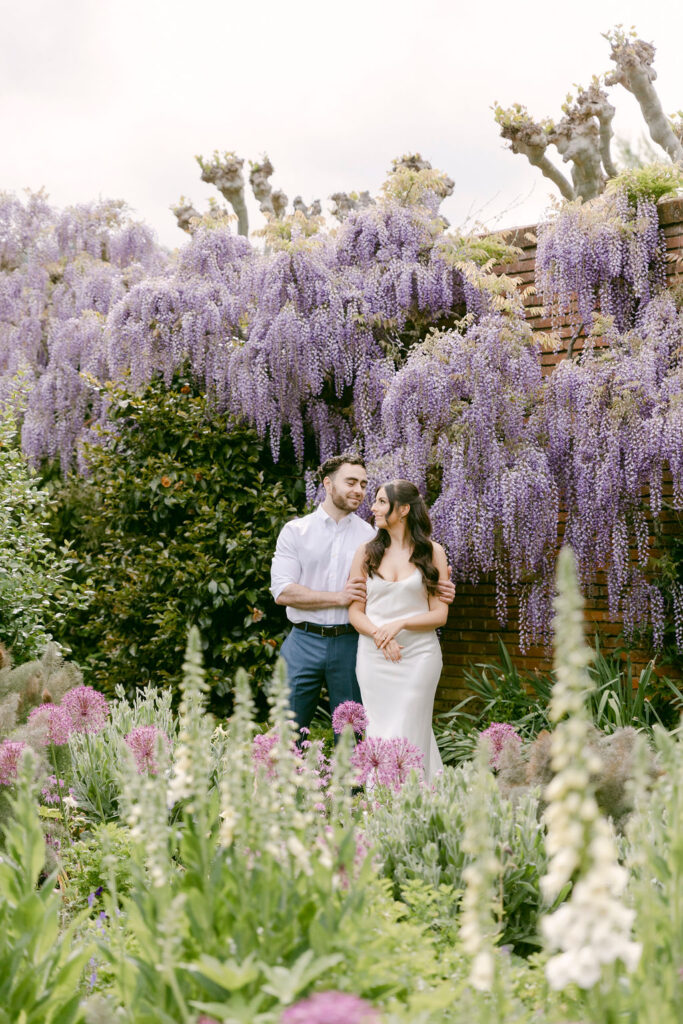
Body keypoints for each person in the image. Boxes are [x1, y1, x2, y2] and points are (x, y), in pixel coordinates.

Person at [270, 455, 454, 735]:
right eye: (351, 482)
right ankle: (285, 779)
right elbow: (282, 591)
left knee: (352, 734)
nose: (359, 490)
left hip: (351, 642)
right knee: (287, 729)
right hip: (303, 640)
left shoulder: (372, 537)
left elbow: (402, 584)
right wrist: (339, 598)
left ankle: (353, 781)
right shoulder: (297, 531)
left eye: (364, 484)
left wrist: (440, 587)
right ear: (328, 484)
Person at [348, 480, 448, 780]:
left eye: (381, 502)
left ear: (403, 509)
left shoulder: (432, 552)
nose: (374, 508)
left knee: (408, 728)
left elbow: (440, 614)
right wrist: (381, 635)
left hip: (418, 656)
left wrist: (400, 623)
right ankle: (384, 812)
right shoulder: (366, 552)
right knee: (380, 733)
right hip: (374, 657)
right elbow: (355, 611)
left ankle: (411, 806)